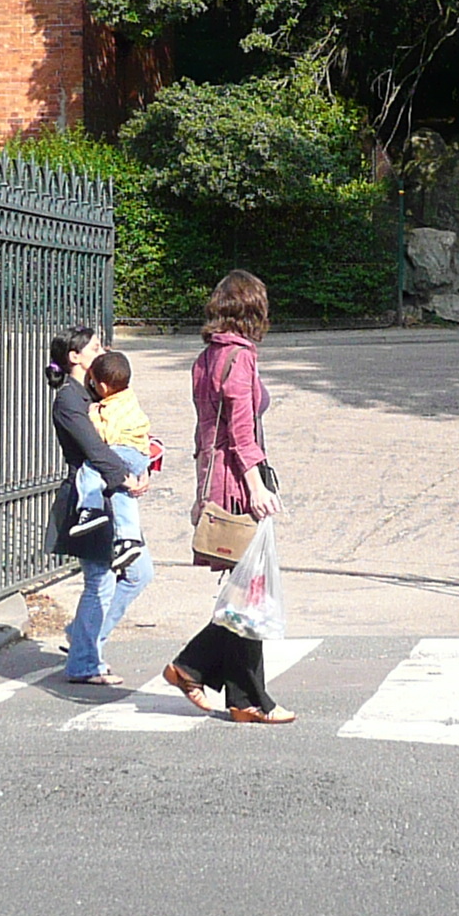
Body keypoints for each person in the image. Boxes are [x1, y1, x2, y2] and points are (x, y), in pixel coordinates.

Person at [162, 270, 294, 725]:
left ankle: (237, 695)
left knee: (244, 591)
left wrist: (203, 489)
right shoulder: (239, 358)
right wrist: (257, 487)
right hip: (238, 483)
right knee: (248, 593)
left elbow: (207, 430)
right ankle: (205, 674)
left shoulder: (206, 357)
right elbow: (239, 431)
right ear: (253, 311)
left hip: (215, 478)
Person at [46, 325, 149, 686]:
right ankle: (83, 662)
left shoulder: (96, 392)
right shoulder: (69, 401)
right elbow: (95, 450)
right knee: (100, 581)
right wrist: (128, 476)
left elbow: (129, 430)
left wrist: (146, 464)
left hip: (114, 491)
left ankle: (82, 637)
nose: (102, 350)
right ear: (74, 358)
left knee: (139, 573)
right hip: (90, 498)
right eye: (94, 347)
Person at [68, 349, 160, 575]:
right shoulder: (128, 396)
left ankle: (91, 508)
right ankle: (129, 539)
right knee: (122, 494)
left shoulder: (110, 408)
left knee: (90, 470)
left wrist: (93, 415)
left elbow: (107, 436)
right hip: (140, 454)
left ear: (103, 387)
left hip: (124, 450)